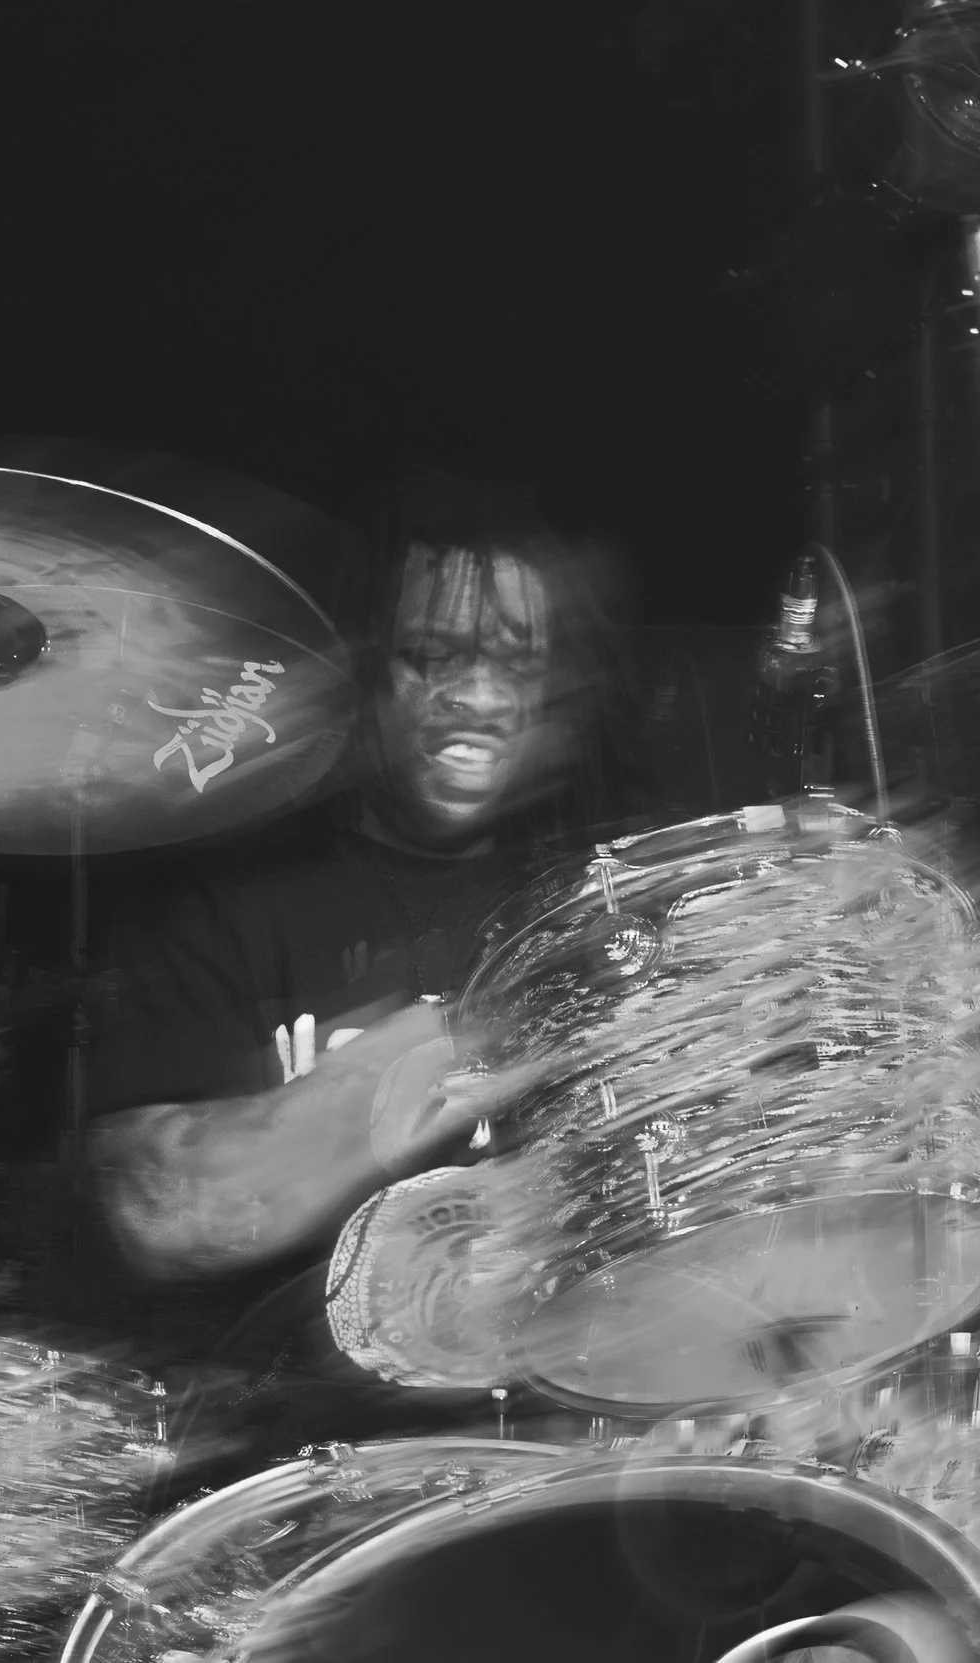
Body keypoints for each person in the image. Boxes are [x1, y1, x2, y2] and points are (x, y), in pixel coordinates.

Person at [84, 475, 636, 1312]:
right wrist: (451, 1045)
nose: (481, 698)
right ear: (366, 666)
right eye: (434, 656)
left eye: (516, 664)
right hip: (285, 1382)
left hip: (547, 1370)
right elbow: (151, 1210)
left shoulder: (590, 911)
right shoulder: (226, 898)